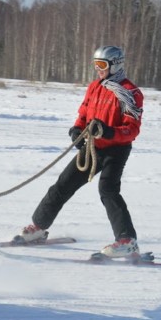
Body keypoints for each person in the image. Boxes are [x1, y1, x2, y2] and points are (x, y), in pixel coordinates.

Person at [16, 45, 145, 258]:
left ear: (115, 65)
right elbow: (84, 113)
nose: (98, 69)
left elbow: (132, 129)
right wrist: (77, 128)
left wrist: (108, 131)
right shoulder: (95, 87)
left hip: (116, 149)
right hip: (93, 147)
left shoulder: (130, 92)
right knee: (63, 184)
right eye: (95, 64)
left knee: (108, 191)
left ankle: (127, 241)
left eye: (102, 65)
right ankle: (38, 227)